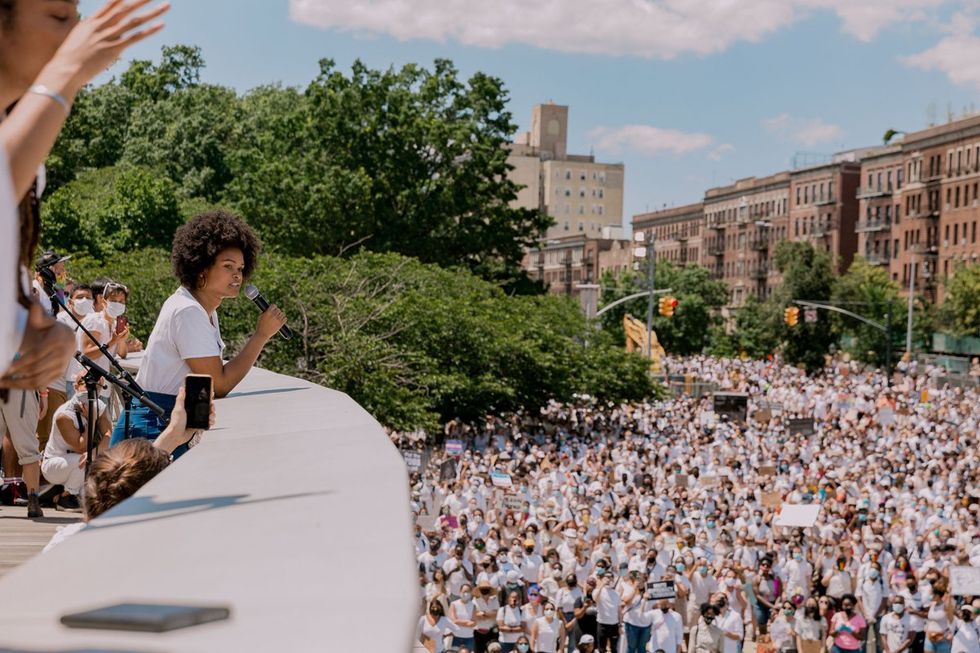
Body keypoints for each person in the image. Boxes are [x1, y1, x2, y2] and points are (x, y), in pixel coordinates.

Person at [0, 0, 167, 392]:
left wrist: (42, 336)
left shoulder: (29, 165)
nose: (80, 33)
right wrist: (66, 74)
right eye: (60, 16)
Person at [112, 210, 287, 455]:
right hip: (155, 426)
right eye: (228, 266)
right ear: (201, 268)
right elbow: (220, 383)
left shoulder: (203, 309)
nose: (237, 275)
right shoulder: (188, 311)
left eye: (241, 267)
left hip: (168, 420)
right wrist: (261, 335)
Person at [43, 385, 212, 552]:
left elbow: (135, 473)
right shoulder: (148, 551)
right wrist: (178, 434)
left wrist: (175, 434)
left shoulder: (65, 541)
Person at [40, 372, 111, 512]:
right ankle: (66, 497)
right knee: (86, 460)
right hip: (54, 463)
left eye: (97, 386)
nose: (91, 390)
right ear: (75, 386)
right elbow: (81, 446)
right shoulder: (64, 415)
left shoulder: (100, 406)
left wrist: (95, 452)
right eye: (86, 384)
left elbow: (108, 434)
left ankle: (58, 491)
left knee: (99, 460)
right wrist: (92, 419)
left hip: (75, 461)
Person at [592, 568, 621, 652]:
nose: (608, 579)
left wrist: (620, 624)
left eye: (610, 577)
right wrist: (602, 585)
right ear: (602, 579)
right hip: (602, 624)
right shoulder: (597, 591)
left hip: (614, 624)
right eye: (606, 577)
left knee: (614, 648)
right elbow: (595, 598)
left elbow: (619, 610)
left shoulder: (616, 593)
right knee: (602, 649)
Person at [924, 583, 953, 653]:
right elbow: (929, 620)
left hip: (942, 640)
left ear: (937, 595)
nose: (931, 596)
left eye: (932, 594)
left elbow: (952, 622)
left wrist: (949, 635)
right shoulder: (932, 605)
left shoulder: (946, 606)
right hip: (929, 638)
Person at [450, 583, 478, 652]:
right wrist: (467, 622)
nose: (466, 593)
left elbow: (474, 623)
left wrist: (459, 622)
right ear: (460, 592)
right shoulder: (454, 604)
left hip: (469, 637)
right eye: (464, 591)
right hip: (456, 637)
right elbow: (453, 621)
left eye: (468, 591)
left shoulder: (473, 606)